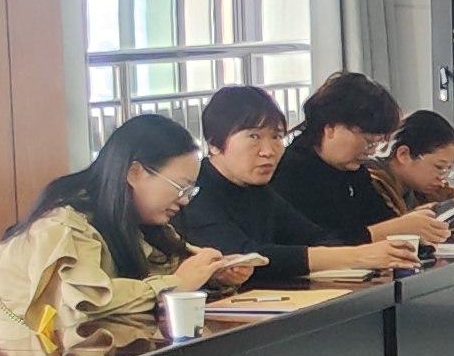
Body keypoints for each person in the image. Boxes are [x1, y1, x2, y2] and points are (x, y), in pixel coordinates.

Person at [0, 113, 235, 340]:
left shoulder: (135, 222)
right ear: (134, 173)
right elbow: (89, 302)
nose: (185, 200)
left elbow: (150, 277)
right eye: (180, 187)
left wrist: (210, 276)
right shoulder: (62, 226)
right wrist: (176, 284)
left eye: (190, 190)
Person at [174, 85, 421, 281]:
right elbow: (245, 254)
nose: (268, 151)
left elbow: (314, 236)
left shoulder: (259, 191)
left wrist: (361, 254)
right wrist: (355, 256)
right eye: (254, 137)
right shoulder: (196, 192)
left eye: (276, 137)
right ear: (214, 143)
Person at [272, 72, 452, 247]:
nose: (370, 151)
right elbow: (320, 243)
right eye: (367, 141)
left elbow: (381, 218)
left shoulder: (352, 170)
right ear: (331, 128)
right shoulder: (289, 173)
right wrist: (397, 228)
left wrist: (412, 222)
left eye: (376, 144)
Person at [368, 109, 454, 220]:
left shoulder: (421, 186)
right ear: (403, 154)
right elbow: (395, 225)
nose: (442, 179)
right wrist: (453, 207)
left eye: (449, 168)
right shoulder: (370, 184)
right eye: (439, 167)